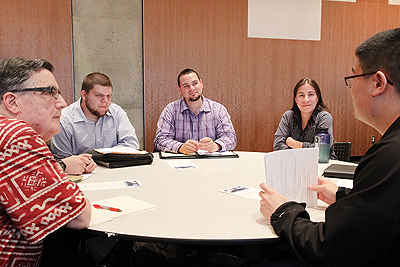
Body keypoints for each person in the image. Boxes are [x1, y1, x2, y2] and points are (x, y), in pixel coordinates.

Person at [259, 28, 400, 266]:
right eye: (300, 95)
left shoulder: (389, 155)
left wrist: (283, 210)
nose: (351, 87)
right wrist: (346, 196)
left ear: (377, 82)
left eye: (353, 77)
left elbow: (331, 247)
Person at [0, 57, 92, 266]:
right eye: (50, 92)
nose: (62, 103)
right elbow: (79, 217)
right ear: (12, 102)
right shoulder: (16, 135)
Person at [50, 72, 140, 170]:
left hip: (113, 171)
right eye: (99, 95)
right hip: (81, 175)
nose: (105, 101)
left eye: (108, 96)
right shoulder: (64, 120)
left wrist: (103, 157)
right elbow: (64, 161)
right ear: (84, 95)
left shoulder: (116, 112)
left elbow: (132, 145)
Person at [154, 68, 237, 154]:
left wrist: (216, 146)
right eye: (186, 86)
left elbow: (231, 138)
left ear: (201, 83)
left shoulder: (218, 110)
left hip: (211, 163)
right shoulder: (170, 110)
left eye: (195, 83)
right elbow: (160, 140)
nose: (192, 88)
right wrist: (180, 147)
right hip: (181, 163)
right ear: (180, 89)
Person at [273, 78, 337, 159]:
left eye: (311, 94)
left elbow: (320, 151)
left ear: (317, 98)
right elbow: (277, 146)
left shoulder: (324, 117)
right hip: (295, 164)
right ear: (295, 99)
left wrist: (294, 143)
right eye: (301, 95)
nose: (306, 99)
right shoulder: (288, 116)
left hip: (322, 166)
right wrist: (305, 151)